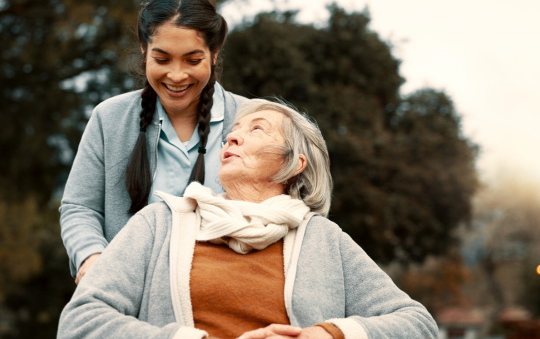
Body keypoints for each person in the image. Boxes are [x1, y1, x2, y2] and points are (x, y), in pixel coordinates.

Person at [57, 99, 438, 339]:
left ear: (293, 164)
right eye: (232, 132)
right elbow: (80, 321)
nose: (232, 139)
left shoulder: (323, 239)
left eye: (256, 130)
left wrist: (326, 335)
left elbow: (417, 325)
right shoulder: (160, 223)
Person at [59, 0, 247, 283]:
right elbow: (80, 207)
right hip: (129, 295)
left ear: (214, 55)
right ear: (144, 51)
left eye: (192, 60)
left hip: (226, 297)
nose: (176, 75)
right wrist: (91, 257)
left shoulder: (254, 120)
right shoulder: (109, 118)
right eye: (162, 59)